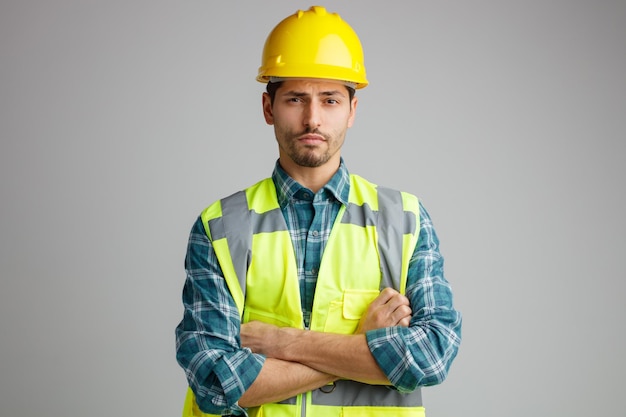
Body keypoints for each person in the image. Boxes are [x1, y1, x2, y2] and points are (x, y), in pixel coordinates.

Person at [175, 5, 462, 417]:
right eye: (296, 99)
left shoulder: (405, 220)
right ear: (268, 108)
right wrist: (363, 346)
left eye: (329, 100)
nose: (313, 118)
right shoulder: (220, 226)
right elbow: (215, 382)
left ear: (352, 110)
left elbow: (432, 355)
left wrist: (282, 343)